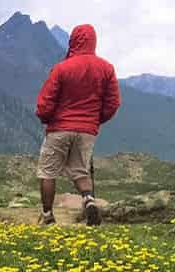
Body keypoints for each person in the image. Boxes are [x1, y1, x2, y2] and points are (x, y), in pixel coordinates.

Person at [35, 24, 121, 226]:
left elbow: (46, 101)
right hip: (87, 130)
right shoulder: (106, 68)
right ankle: (89, 200)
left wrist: (45, 117)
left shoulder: (62, 68)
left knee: (48, 172)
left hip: (60, 127)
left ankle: (47, 216)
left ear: (73, 41)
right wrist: (95, 120)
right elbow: (113, 102)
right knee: (80, 171)